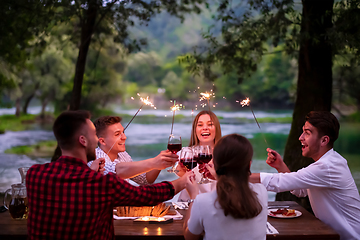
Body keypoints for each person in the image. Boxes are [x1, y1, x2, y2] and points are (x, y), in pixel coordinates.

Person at [26, 110, 194, 240]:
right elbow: (147, 195)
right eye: (93, 134)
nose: (96, 140)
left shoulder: (34, 175)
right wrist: (183, 181)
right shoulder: (101, 183)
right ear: (83, 140)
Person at [250, 111, 360, 240]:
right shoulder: (328, 162)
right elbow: (301, 190)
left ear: (324, 140)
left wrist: (234, 176)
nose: (300, 137)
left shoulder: (328, 166)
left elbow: (277, 182)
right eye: (303, 131)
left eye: (307, 133)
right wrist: (280, 166)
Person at [183, 134, 268, 240]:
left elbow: (189, 237)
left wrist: (193, 197)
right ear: (249, 165)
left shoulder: (202, 201)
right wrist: (219, 177)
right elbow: (235, 184)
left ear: (214, 163)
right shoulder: (261, 192)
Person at [88, 115, 178, 185]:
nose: (124, 137)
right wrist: (154, 162)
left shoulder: (123, 155)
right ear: (102, 141)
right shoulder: (95, 157)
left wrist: (160, 164)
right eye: (117, 134)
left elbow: (145, 181)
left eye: (123, 132)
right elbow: (115, 172)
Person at [176, 110, 222, 201]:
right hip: (188, 204)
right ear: (195, 130)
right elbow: (176, 170)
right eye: (200, 125)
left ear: (216, 128)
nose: (205, 128)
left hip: (217, 205)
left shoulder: (226, 154)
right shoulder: (186, 152)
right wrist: (180, 172)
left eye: (210, 124)